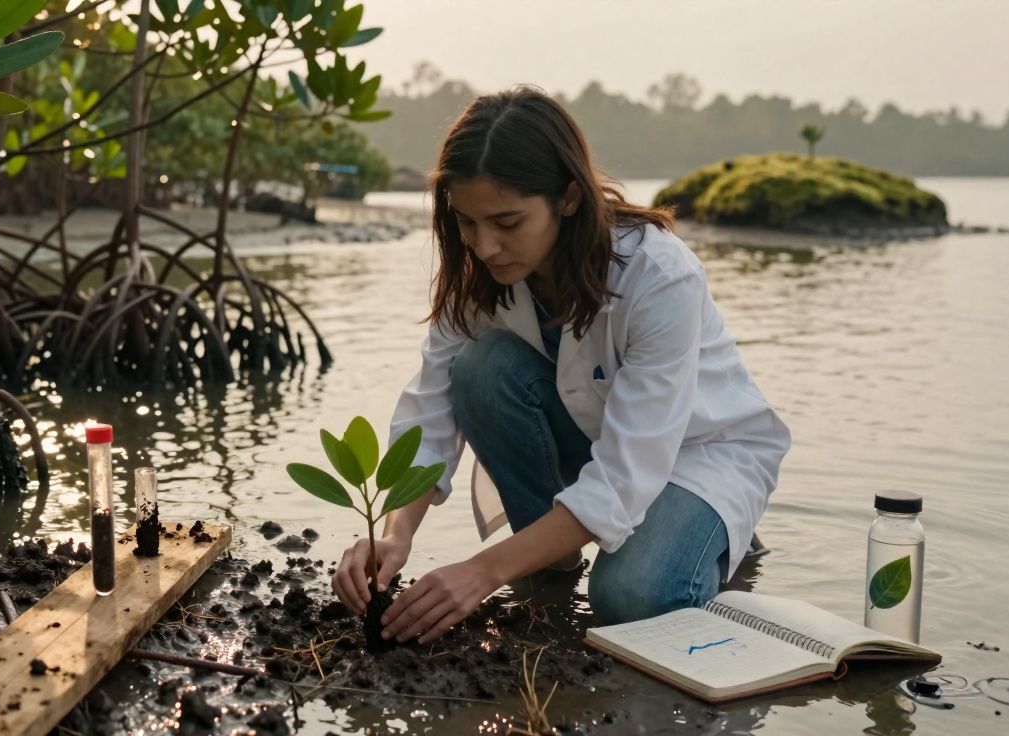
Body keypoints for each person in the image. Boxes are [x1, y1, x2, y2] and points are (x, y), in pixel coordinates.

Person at [330, 87, 791, 645]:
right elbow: (431, 412)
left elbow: (627, 474)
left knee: (629, 599)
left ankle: (711, 537)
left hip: (701, 455)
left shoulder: (658, 277)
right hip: (601, 437)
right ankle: (552, 559)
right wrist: (396, 534)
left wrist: (483, 571)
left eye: (506, 221)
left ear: (569, 198)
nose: (485, 246)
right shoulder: (480, 277)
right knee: (479, 369)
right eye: (468, 224)